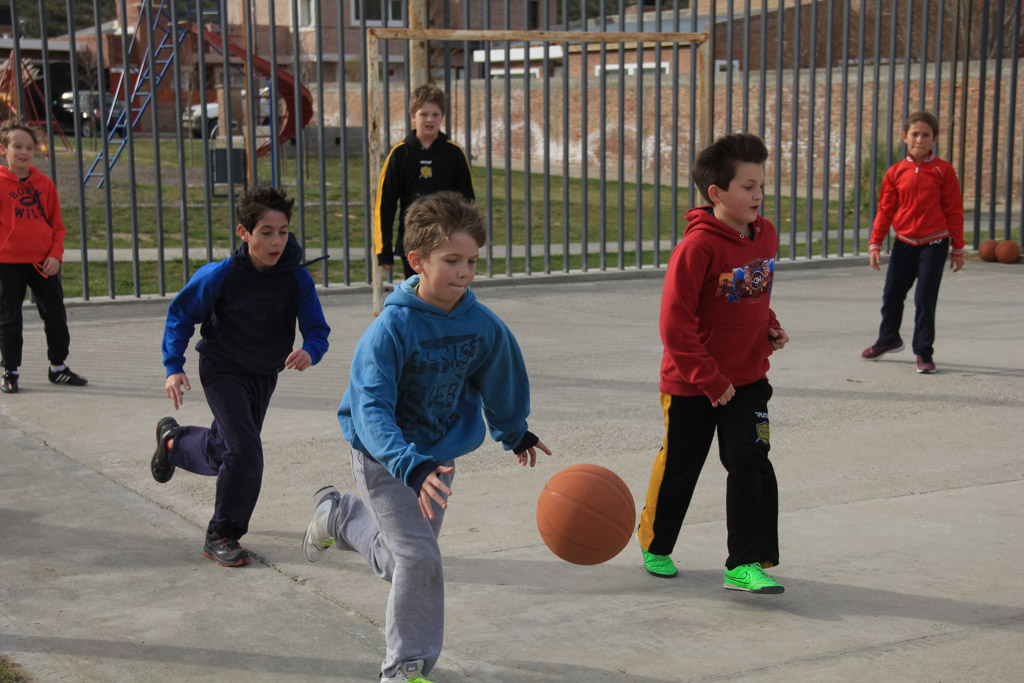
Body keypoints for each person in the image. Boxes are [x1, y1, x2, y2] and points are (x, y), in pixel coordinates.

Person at [302, 191, 550, 683]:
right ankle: (404, 668)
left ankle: (340, 516)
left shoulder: (480, 325)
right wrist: (407, 465)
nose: (464, 272)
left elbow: (500, 378)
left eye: (472, 261)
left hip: (436, 458)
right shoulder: (391, 329)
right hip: (384, 456)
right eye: (451, 260)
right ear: (417, 261)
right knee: (419, 559)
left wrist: (514, 431)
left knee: (403, 562)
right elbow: (371, 408)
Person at [636, 133, 789, 594]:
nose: (758, 194)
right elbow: (674, 324)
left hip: (748, 379)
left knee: (751, 462)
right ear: (716, 194)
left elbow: (753, 294)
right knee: (682, 463)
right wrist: (708, 377)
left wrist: (770, 327)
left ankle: (745, 562)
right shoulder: (698, 248)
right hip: (691, 383)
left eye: (761, 184)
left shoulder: (766, 234)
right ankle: (655, 544)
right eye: (747, 186)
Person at [152, 183, 330, 567]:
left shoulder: (296, 278)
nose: (276, 242)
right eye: (266, 232)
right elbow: (181, 314)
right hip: (221, 368)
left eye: (283, 232)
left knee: (224, 451)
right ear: (244, 232)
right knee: (245, 452)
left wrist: (309, 351)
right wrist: (174, 366)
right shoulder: (220, 276)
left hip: (263, 374)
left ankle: (172, 442)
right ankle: (222, 532)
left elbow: (318, 330)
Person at [861, 110, 965, 374]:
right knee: (892, 294)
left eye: (926, 135)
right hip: (904, 242)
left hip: (934, 243)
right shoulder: (896, 172)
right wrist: (875, 243)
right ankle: (888, 339)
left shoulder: (944, 171)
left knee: (925, 298)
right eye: (915, 134)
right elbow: (885, 209)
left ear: (935, 138)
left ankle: (923, 352)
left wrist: (958, 248)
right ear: (904, 136)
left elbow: (954, 209)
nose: (920, 139)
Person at [0, 120, 87, 394]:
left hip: (43, 262)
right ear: (4, 150)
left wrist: (55, 255)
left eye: (29, 147)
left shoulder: (45, 185)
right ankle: (10, 371)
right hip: (8, 263)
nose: (23, 152)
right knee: (9, 319)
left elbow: (57, 226)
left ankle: (58, 368)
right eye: (17, 147)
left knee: (55, 315)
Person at [374, 83, 475, 279]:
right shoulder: (399, 153)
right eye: (423, 114)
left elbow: (468, 201)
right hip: (413, 243)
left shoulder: (454, 153)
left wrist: (470, 241)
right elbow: (384, 205)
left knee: (448, 296)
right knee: (418, 298)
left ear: (442, 117)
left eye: (435, 114)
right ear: (413, 116)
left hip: (449, 241)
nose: (430, 119)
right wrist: (383, 250)